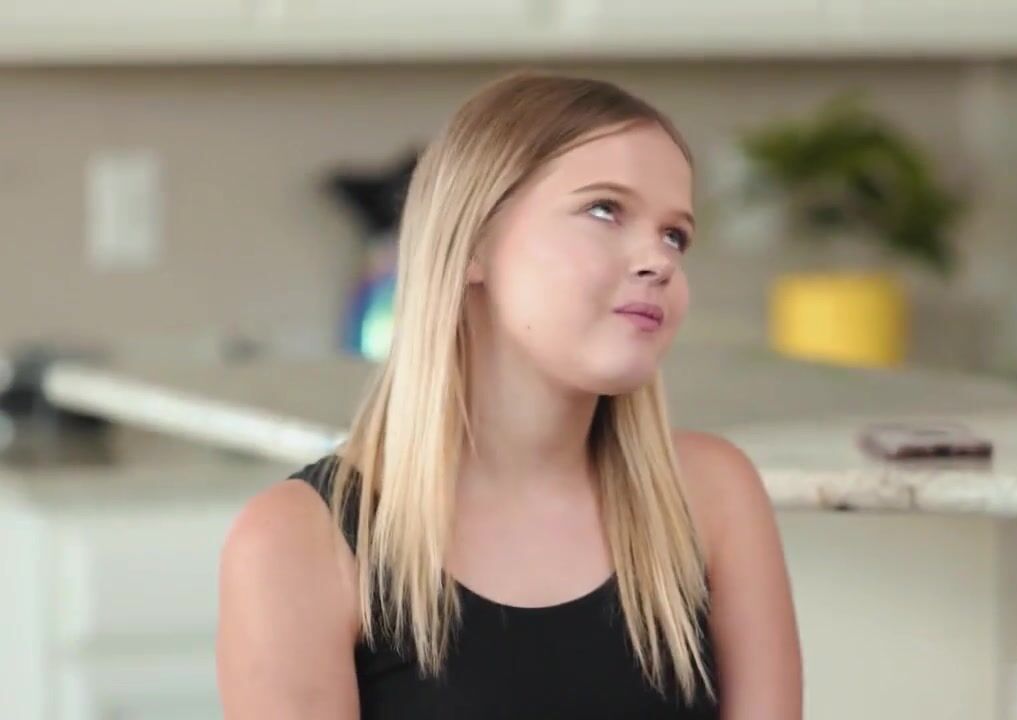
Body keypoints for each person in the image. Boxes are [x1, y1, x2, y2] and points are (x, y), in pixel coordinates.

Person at [215, 70, 803, 720]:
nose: (660, 260)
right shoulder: (296, 542)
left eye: (675, 235)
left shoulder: (714, 497)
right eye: (604, 209)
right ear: (472, 243)